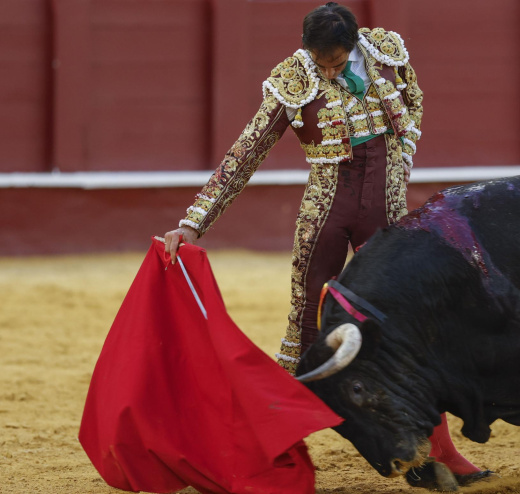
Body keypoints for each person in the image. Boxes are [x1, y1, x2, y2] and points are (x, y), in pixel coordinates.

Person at [162, 2, 490, 488]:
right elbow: (246, 152)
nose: (329, 71)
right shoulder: (293, 79)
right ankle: (262, 450)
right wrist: (194, 223)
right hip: (327, 212)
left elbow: (414, 102)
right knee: (306, 328)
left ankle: (439, 455)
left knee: (408, 328)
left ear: (352, 46)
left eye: (335, 62)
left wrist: (402, 157)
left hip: (386, 212)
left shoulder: (387, 54)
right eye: (321, 63)